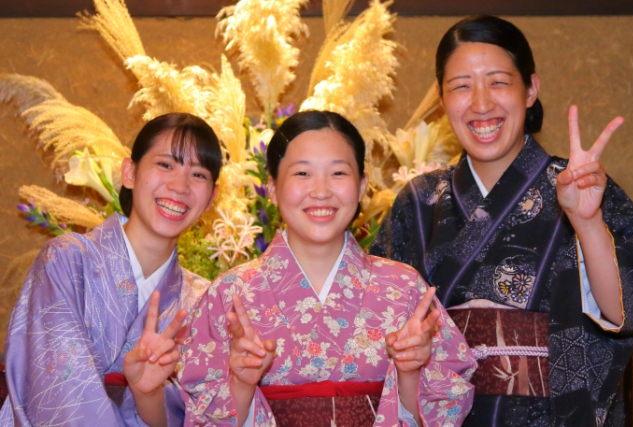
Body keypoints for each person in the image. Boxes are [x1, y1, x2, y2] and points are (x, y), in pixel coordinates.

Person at [370, 15, 633, 427]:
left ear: (531, 89)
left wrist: (586, 223)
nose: (481, 104)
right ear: (442, 99)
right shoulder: (419, 202)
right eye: (461, 86)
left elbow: (629, 313)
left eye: (498, 82)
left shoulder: (582, 188)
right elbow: (379, 331)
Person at [128, 110, 476, 427]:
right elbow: (194, 416)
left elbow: (442, 409)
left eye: (338, 173)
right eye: (302, 173)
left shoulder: (404, 288)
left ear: (361, 186)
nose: (320, 191)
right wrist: (242, 384)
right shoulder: (229, 294)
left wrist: (410, 374)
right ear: (273, 188)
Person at [0, 112, 222, 426]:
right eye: (165, 165)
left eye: (198, 174)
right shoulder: (67, 261)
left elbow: (197, 415)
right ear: (129, 173)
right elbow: (58, 396)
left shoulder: (203, 300)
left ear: (212, 197)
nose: (179, 186)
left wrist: (150, 395)